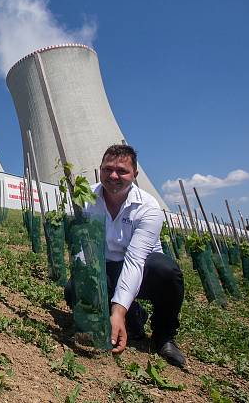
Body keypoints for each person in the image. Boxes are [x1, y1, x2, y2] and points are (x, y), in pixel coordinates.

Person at [64, 144, 186, 367]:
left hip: (144, 269)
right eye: (107, 169)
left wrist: (117, 311)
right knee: (73, 290)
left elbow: (135, 261)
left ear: (135, 175)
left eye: (122, 171)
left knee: (166, 271)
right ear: (99, 169)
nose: (113, 176)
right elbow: (83, 247)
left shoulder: (148, 207)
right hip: (105, 267)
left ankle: (163, 335)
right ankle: (133, 316)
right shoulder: (85, 198)